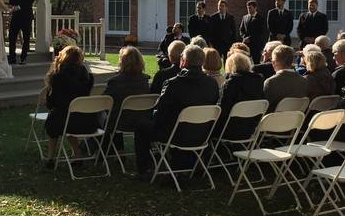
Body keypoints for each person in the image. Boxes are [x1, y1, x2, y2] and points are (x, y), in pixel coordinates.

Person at [134, 44, 220, 176]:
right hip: (202, 134)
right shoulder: (212, 84)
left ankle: (144, 169)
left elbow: (160, 113)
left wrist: (151, 119)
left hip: (175, 135)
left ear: (184, 61)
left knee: (140, 125)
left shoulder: (173, 83)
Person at [43, 46, 95, 169]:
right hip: (86, 120)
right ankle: (77, 155)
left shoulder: (57, 76)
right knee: (69, 117)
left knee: (54, 121)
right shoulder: (88, 78)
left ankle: (51, 157)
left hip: (63, 120)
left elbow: (51, 104)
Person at [101, 45, 151, 150]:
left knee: (101, 115)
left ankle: (104, 150)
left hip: (121, 122)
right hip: (142, 121)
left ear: (122, 62)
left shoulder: (115, 82)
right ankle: (116, 149)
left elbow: (104, 102)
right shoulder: (145, 81)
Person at [216, 51, 265, 137]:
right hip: (251, 128)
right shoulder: (258, 81)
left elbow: (222, 108)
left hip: (229, 129)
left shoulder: (231, 83)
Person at [262, 45, 308, 110]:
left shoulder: (271, 82)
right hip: (296, 118)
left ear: (273, 62)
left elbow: (265, 107)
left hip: (273, 119)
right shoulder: (304, 81)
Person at [7, 0, 37, 65]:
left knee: (26, 37)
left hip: (26, 16)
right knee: (12, 36)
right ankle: (12, 57)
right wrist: (10, 5)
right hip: (16, 16)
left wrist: (18, 7)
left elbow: (29, 1)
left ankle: (23, 57)